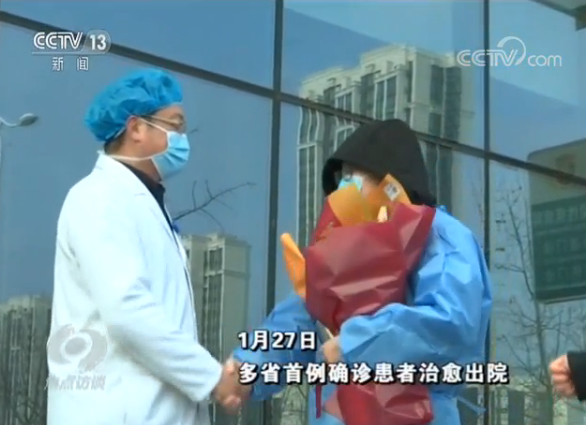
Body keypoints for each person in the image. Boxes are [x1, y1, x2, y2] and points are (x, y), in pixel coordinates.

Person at [231, 119, 493, 425]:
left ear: (390, 183)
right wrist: (247, 368)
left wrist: (353, 342)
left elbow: (451, 322)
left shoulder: (441, 236)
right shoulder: (341, 246)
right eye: (342, 178)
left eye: (352, 176)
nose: (344, 188)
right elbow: (300, 318)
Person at [47, 69, 242, 425]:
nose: (183, 138)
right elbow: (127, 308)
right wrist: (213, 378)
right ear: (136, 128)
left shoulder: (145, 203)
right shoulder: (98, 197)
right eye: (175, 125)